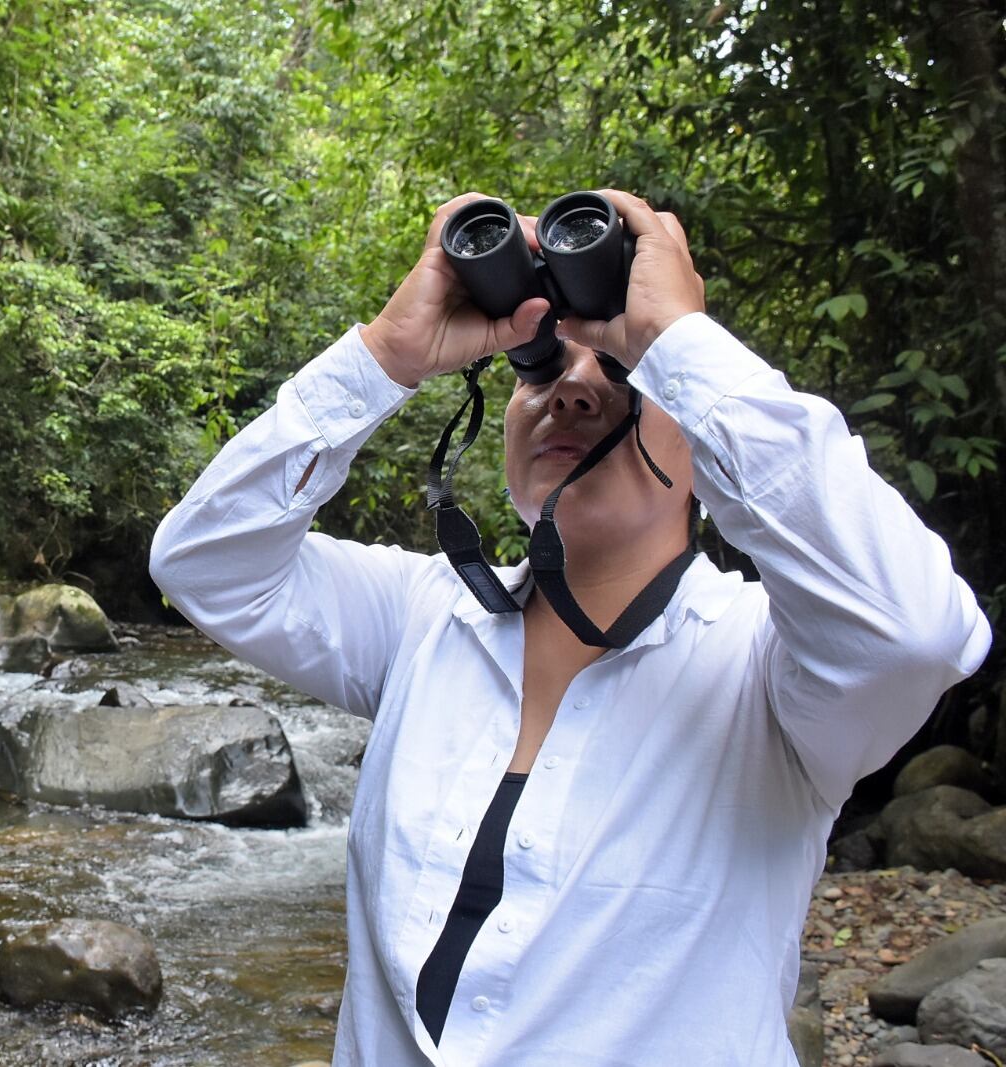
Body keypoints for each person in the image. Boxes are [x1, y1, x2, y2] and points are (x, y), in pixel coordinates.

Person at [148, 188, 992, 1066]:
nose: (572, 390)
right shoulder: (422, 616)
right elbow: (205, 561)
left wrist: (676, 344)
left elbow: (916, 632)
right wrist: (384, 357)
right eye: (541, 369)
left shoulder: (764, 668)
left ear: (706, 445)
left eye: (622, 375)